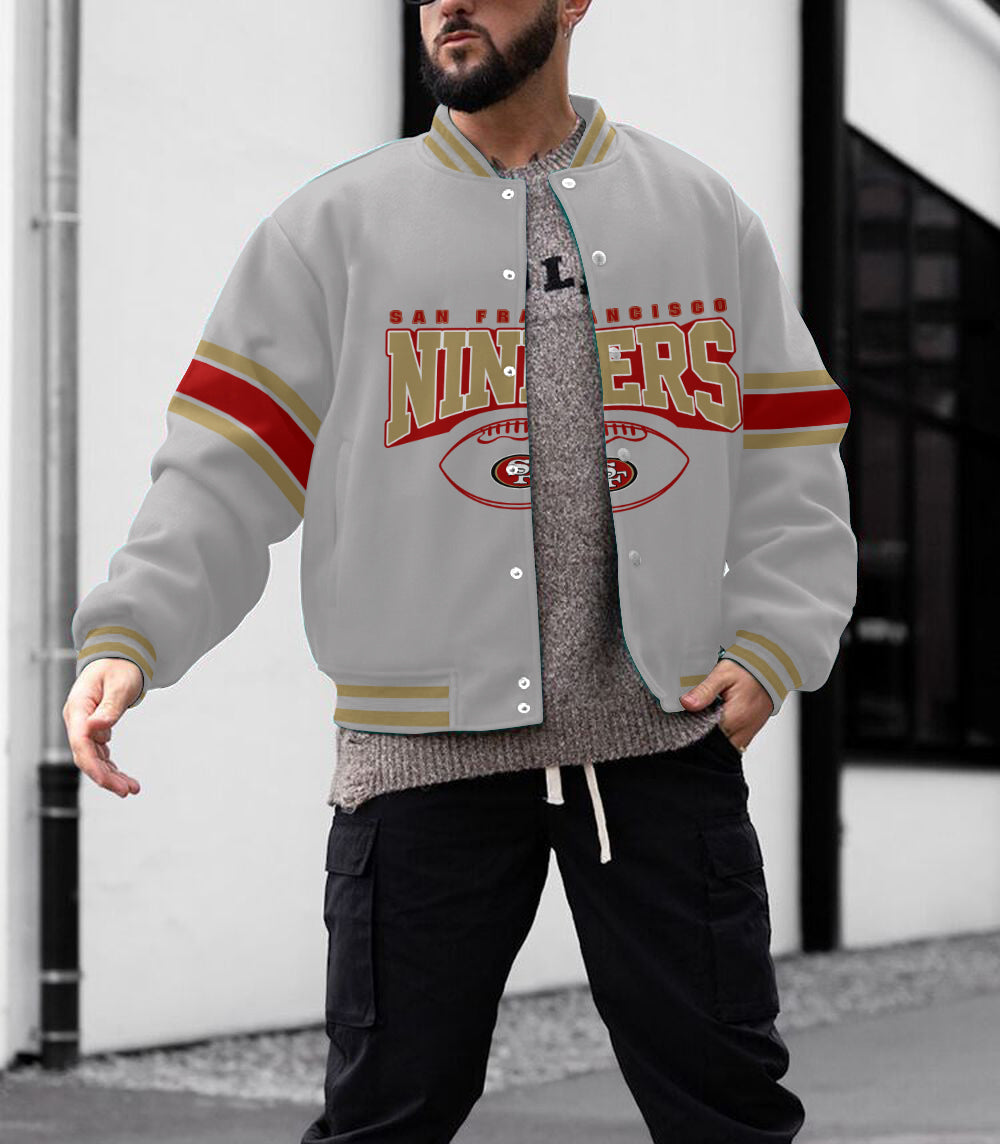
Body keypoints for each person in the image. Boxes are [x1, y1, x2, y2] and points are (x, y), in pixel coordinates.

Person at [64, 0, 857, 1139]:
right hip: (418, 760)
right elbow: (225, 462)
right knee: (385, 1120)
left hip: (660, 747)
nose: (449, 3)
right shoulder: (330, 227)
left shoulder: (701, 212)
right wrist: (131, 632)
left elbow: (789, 449)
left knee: (729, 1116)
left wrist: (774, 639)